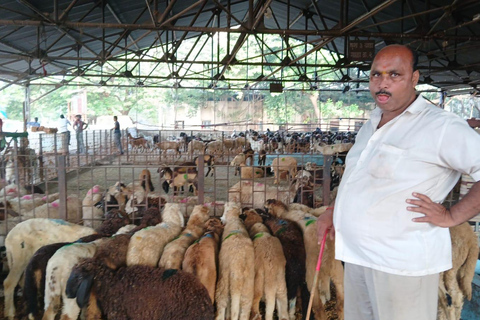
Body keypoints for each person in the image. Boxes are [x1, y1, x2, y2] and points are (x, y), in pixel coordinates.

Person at [316, 44, 480, 320]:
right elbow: (357, 179)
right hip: (357, 257)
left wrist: (452, 215)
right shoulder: (371, 124)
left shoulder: (441, 127)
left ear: (414, 78)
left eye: (394, 75)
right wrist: (334, 210)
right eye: (376, 75)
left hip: (401, 264)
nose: (382, 84)